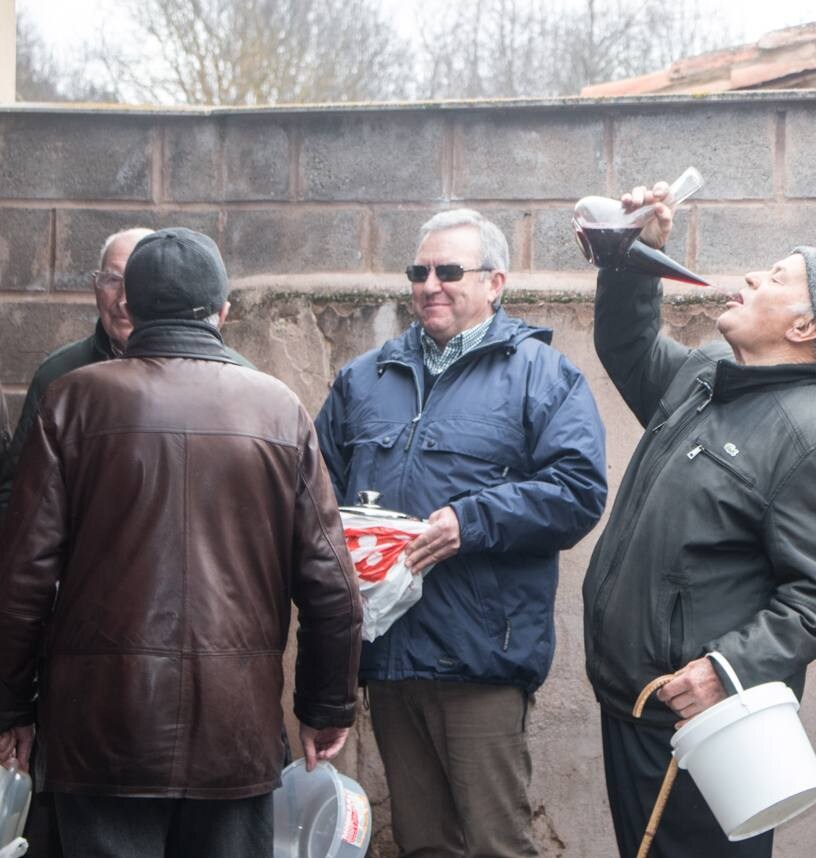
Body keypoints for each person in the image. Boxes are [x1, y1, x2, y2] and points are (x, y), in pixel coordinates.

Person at [0, 227, 362, 858]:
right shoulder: (278, 409)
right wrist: (325, 706)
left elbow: (22, 578)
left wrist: (12, 706)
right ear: (223, 311)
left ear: (129, 308)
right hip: (235, 731)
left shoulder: (72, 401)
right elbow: (332, 583)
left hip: (101, 729)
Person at [583, 180, 816, 857]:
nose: (753, 276)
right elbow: (629, 348)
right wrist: (635, 255)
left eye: (777, 277)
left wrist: (724, 669)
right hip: (635, 705)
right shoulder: (709, 374)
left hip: (704, 722)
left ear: (804, 327)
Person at [315, 209, 607, 858]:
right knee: (422, 845)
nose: (430, 285)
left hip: (481, 656)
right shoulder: (365, 380)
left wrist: (469, 522)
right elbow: (312, 493)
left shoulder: (542, 375)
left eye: (450, 271)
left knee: (497, 845)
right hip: (389, 656)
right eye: (419, 272)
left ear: (496, 282)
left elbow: (579, 493)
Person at [0, 227, 151, 522]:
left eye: (138, 282)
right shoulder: (58, 373)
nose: (123, 299)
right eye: (112, 279)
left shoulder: (209, 377)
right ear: (95, 285)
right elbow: (16, 491)